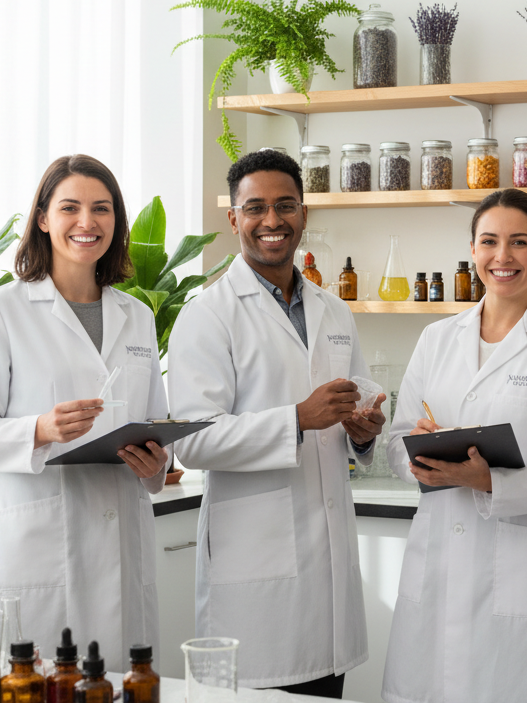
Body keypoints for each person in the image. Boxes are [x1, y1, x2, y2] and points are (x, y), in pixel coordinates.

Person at [167, 149, 383, 699]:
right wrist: (297, 419)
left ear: (304, 214)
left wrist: (364, 429)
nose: (272, 221)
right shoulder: (208, 314)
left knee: (323, 687)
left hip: (327, 569)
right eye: (256, 207)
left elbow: (356, 399)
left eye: (285, 205)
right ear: (234, 218)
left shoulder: (334, 311)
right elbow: (192, 440)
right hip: (254, 570)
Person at [0, 155, 170, 672]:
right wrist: (39, 430)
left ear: (116, 223)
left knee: (118, 681)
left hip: (121, 543)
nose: (87, 222)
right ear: (43, 218)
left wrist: (156, 461)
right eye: (69, 207)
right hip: (38, 548)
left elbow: (157, 423)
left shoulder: (136, 316)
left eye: (102, 209)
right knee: (43, 681)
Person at [381, 188, 527, 703]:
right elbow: (397, 442)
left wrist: (486, 480)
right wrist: (420, 455)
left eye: (519, 242)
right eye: (489, 242)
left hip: (520, 566)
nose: (503, 257)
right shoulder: (437, 338)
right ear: (473, 249)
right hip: (436, 560)